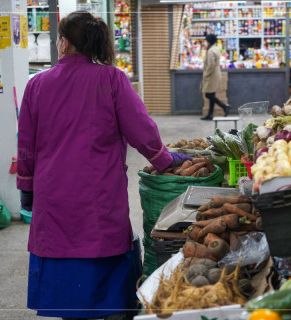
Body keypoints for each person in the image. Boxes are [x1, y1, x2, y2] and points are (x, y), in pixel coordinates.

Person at [17, 11, 191, 320]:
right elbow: (141, 130)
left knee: (60, 253)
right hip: (98, 192)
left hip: (52, 194)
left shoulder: (37, 85)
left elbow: (26, 146)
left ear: (64, 43)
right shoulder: (112, 79)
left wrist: (26, 189)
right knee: (101, 248)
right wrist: (166, 160)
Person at [200, 34, 230, 121]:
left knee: (208, 94)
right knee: (211, 94)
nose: (205, 42)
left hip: (211, 75)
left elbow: (210, 65)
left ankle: (224, 106)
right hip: (215, 73)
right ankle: (210, 114)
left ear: (209, 41)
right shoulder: (215, 48)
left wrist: (205, 74)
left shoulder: (210, 51)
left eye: (206, 40)